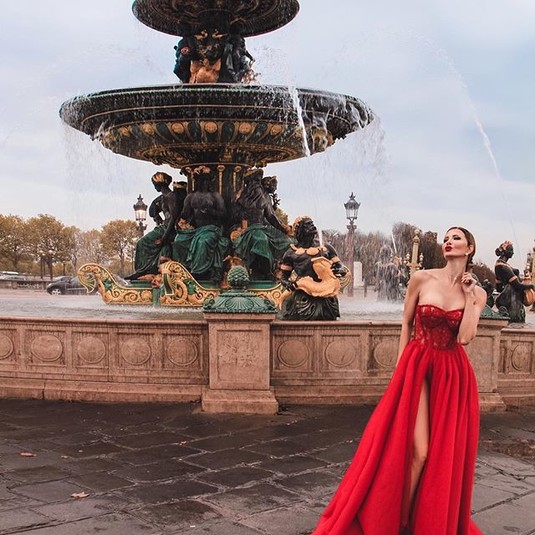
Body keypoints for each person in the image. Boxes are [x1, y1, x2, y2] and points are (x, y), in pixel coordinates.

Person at [312, 226, 487, 534]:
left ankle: (423, 518)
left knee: (442, 454)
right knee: (420, 451)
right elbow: (406, 323)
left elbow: (464, 338)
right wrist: (400, 368)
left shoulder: (477, 293)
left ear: (469, 248)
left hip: (452, 375)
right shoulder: (422, 278)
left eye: (456, 238)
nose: (448, 242)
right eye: (446, 238)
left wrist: (471, 295)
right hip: (417, 364)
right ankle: (399, 521)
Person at [279, 216, 347, 321]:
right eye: (308, 225)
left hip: (326, 296)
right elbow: (283, 277)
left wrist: (340, 270)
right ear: (300, 230)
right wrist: (288, 284)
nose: (313, 226)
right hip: (302, 295)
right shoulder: (291, 253)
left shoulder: (326, 248)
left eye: (312, 224)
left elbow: (340, 266)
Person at [172, 166, 230, 284]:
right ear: (196, 181)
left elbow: (225, 215)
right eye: (201, 180)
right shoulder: (191, 197)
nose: (204, 183)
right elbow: (185, 214)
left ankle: (198, 273)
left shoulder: (215, 196)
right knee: (179, 241)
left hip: (212, 229)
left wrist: (210, 211)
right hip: (196, 230)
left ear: (210, 181)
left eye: (206, 180)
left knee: (203, 242)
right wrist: (180, 222)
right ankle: (182, 270)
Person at [231, 170, 292, 280]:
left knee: (287, 241)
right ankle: (265, 271)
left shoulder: (264, 197)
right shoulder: (240, 197)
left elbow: (271, 216)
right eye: (255, 181)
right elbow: (234, 216)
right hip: (248, 228)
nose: (258, 184)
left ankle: (282, 271)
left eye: (258, 181)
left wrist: (283, 229)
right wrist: (241, 227)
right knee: (261, 240)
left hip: (263, 228)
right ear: (249, 182)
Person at [126, 173, 187, 280]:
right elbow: (151, 210)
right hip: (164, 227)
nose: (154, 187)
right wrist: (157, 217)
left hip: (169, 229)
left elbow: (173, 219)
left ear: (159, 184)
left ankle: (141, 271)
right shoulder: (163, 197)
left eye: (154, 184)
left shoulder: (172, 197)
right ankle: (144, 270)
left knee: (142, 243)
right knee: (144, 243)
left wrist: (164, 238)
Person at [494, 240, 534, 323]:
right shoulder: (504, 267)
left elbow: (498, 288)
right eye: (511, 250)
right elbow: (517, 286)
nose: (513, 252)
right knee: (516, 322)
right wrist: (531, 286)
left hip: (506, 297)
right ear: (505, 251)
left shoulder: (498, 265)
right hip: (512, 300)